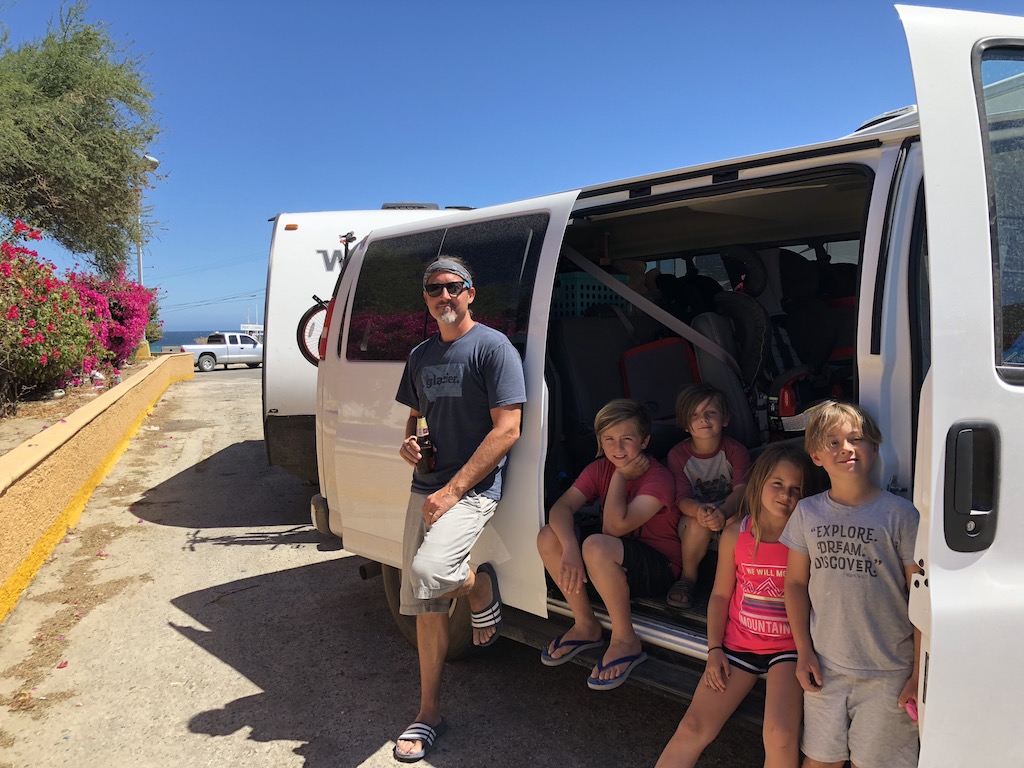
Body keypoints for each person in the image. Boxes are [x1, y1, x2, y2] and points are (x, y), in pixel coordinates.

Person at [392, 256, 526, 763]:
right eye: (433, 290)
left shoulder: (493, 348)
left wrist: (452, 491)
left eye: (452, 287)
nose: (442, 297)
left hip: (469, 490)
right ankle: (428, 714)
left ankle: (479, 585)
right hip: (423, 486)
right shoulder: (421, 355)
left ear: (471, 293)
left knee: (430, 570)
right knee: (426, 601)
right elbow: (414, 419)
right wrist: (409, 443)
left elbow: (507, 429)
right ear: (425, 300)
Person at [656, 443, 814, 768]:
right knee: (692, 727)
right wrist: (714, 650)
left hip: (789, 648)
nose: (786, 495)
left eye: (795, 489)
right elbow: (719, 596)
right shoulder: (735, 533)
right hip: (738, 647)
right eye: (778, 484)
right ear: (759, 483)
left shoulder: (806, 537)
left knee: (781, 736)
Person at [782, 401, 921, 768]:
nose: (846, 448)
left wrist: (920, 674)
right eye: (833, 443)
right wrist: (804, 652)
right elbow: (795, 584)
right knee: (819, 761)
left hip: (889, 674)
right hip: (825, 667)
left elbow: (923, 598)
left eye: (856, 439)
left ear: (874, 449)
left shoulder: (901, 515)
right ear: (815, 456)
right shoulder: (807, 512)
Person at [536, 399, 680, 690]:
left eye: (627, 439)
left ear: (645, 441)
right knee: (549, 535)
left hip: (659, 568)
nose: (618, 448)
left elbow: (615, 527)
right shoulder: (599, 467)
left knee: (596, 545)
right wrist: (571, 550)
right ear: (600, 441)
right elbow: (561, 509)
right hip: (609, 561)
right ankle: (586, 625)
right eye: (609, 439)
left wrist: (621, 477)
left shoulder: (658, 477)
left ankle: (626, 640)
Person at [665, 383, 751, 610]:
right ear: (685, 424)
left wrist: (723, 513)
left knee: (739, 521)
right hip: (696, 516)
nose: (703, 419)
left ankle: (733, 582)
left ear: (724, 419)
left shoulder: (735, 451)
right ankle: (688, 577)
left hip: (729, 511)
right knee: (695, 525)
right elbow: (681, 498)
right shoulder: (678, 455)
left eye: (710, 413)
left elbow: (741, 490)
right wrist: (700, 512)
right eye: (694, 415)